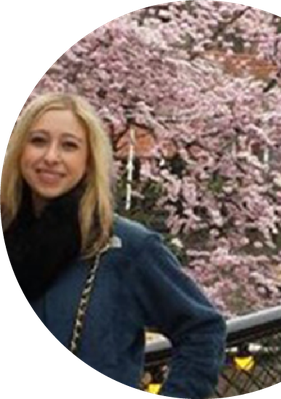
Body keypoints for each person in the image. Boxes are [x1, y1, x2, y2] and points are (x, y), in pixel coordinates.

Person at [1, 92, 227, 398]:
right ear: (18, 151)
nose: (51, 157)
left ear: (89, 160)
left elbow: (203, 330)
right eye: (38, 141)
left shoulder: (127, 247)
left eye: (69, 145)